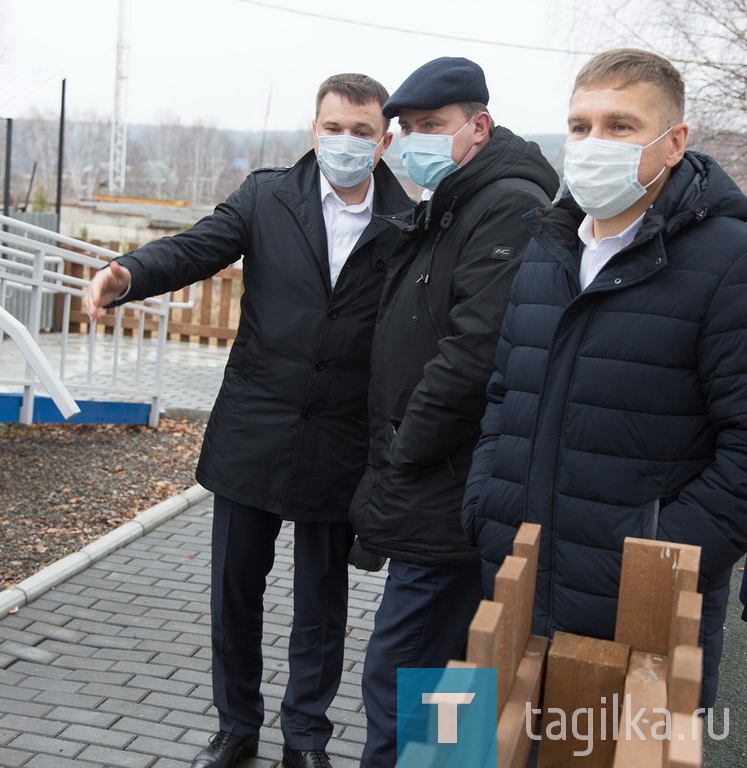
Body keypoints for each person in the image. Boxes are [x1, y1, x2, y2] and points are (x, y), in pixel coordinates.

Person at [86, 74, 410, 768]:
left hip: (341, 440)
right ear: (312, 131)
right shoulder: (267, 198)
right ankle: (236, 728)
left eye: (361, 131)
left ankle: (305, 739)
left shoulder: (408, 223)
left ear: (384, 141)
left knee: (322, 606)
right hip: (254, 432)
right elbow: (197, 247)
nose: (345, 142)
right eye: (334, 127)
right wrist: (127, 273)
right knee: (236, 592)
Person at [463, 48, 747, 708]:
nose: (595, 143)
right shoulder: (549, 247)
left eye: (620, 126)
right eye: (581, 126)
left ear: (674, 142)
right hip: (518, 586)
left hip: (643, 618)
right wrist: (487, 503)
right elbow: (506, 390)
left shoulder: (729, 263)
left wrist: (658, 559)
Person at [348, 56, 559, 767]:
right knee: (435, 678)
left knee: (412, 671)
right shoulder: (454, 199)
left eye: (431, 126)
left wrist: (406, 447)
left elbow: (474, 353)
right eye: (405, 128)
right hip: (431, 483)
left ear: (479, 126)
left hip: (445, 486)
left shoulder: (504, 203)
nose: (414, 140)